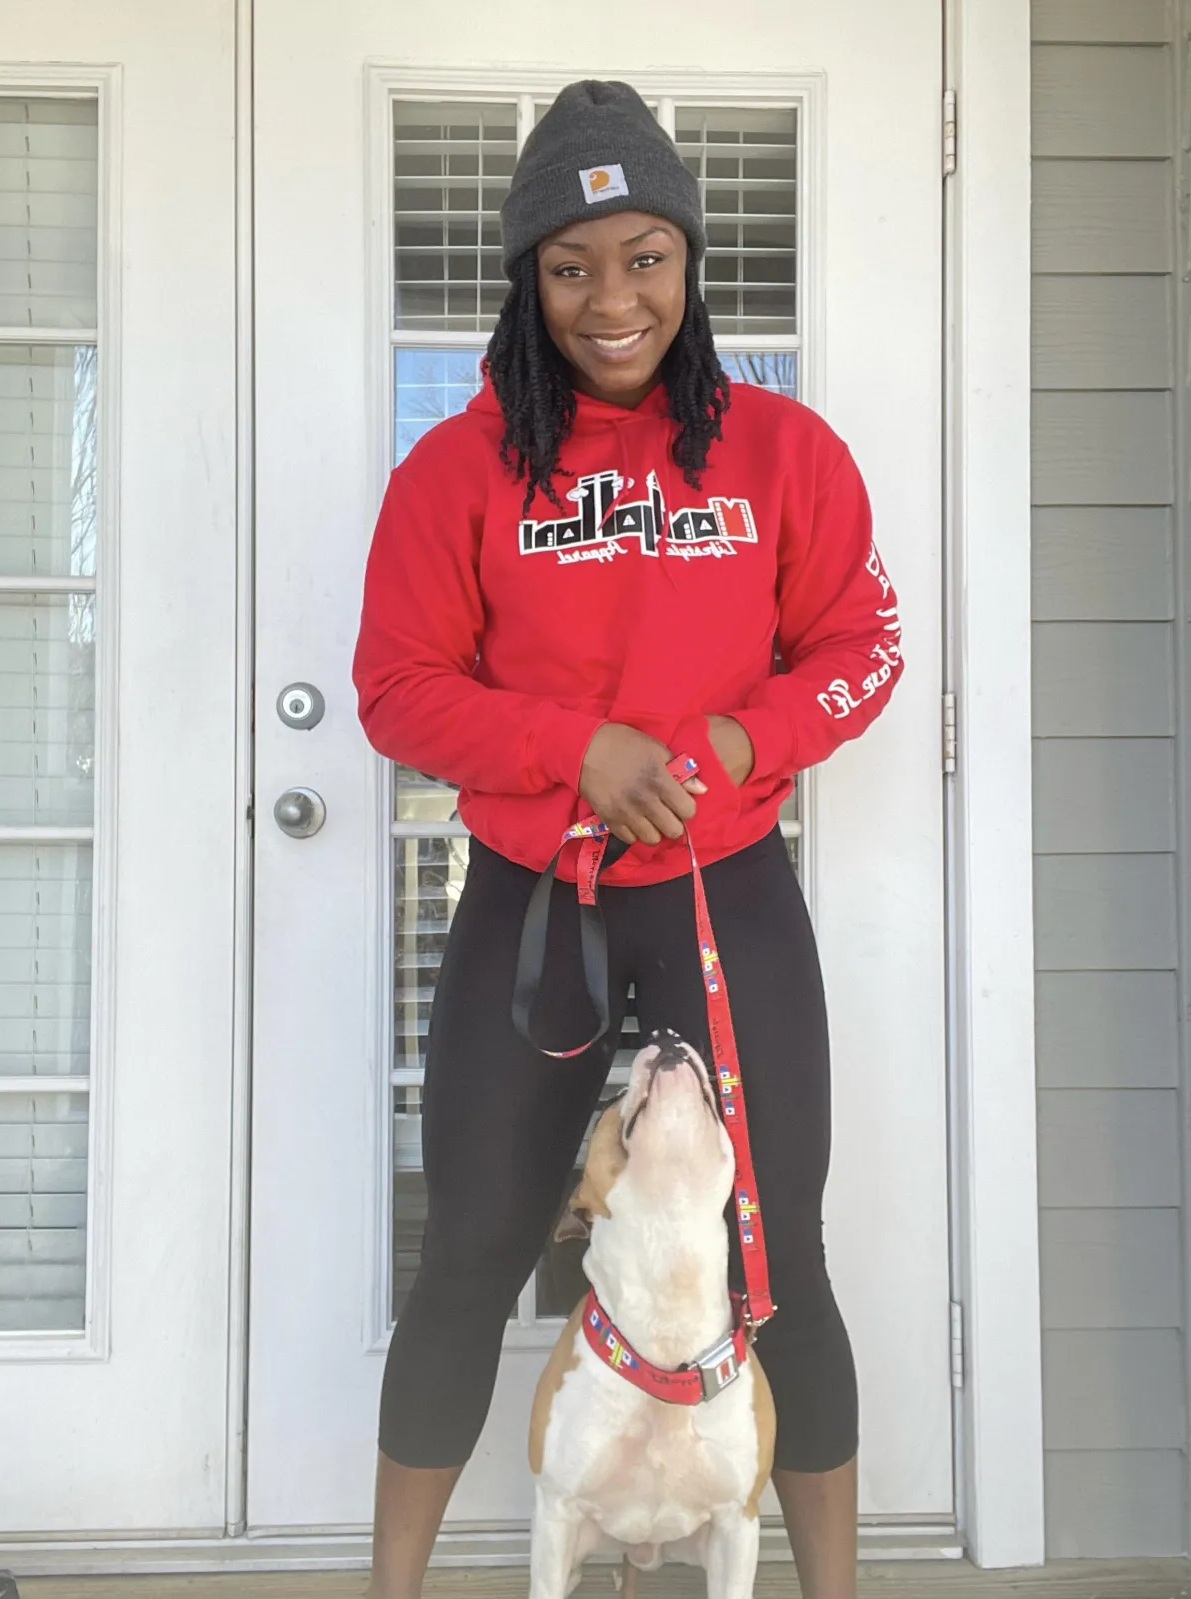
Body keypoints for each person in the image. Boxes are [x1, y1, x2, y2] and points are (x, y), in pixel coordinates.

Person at [352, 79, 902, 1599]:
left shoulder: (781, 455)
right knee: (468, 1250)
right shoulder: (458, 474)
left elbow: (863, 646)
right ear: (529, 278)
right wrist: (572, 749)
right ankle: (386, 1585)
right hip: (539, 904)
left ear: (691, 264)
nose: (614, 299)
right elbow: (397, 688)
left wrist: (738, 741)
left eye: (647, 255)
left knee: (777, 1258)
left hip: (726, 897)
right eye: (573, 263)